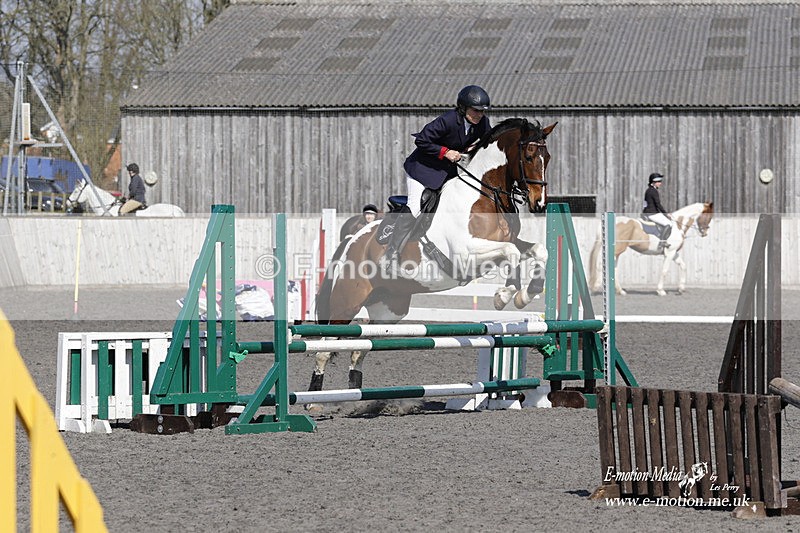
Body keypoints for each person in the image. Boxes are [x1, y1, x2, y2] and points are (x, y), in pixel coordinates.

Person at [383, 85, 492, 267]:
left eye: (482, 111)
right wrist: (445, 152)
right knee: (415, 206)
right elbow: (421, 140)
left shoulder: (482, 123)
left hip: (447, 172)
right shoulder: (448, 120)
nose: (480, 115)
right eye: (476, 110)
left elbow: (487, 141)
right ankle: (391, 253)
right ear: (463, 108)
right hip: (423, 169)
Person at [642, 172, 673, 249]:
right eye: (658, 182)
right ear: (653, 182)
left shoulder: (648, 190)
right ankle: (662, 242)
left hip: (648, 213)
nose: (660, 183)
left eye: (660, 181)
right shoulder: (653, 191)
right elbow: (658, 204)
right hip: (653, 213)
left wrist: (644, 212)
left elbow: (645, 203)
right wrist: (666, 214)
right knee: (669, 224)